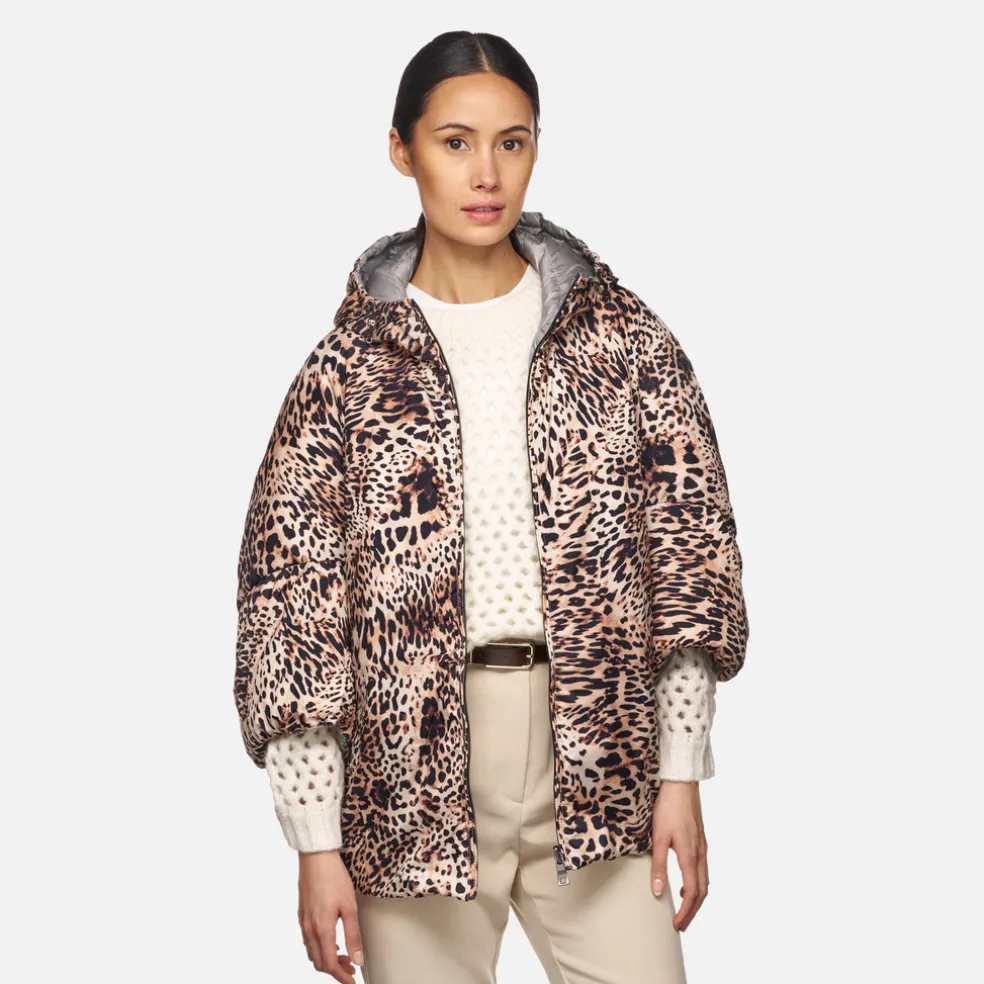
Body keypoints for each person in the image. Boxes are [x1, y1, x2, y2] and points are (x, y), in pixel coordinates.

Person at [234, 30, 749, 984]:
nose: (486, 174)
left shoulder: (623, 341)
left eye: (512, 142)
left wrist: (681, 771)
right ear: (402, 151)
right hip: (409, 778)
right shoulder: (344, 373)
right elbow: (292, 611)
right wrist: (315, 840)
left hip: (600, 757)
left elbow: (691, 558)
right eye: (455, 142)